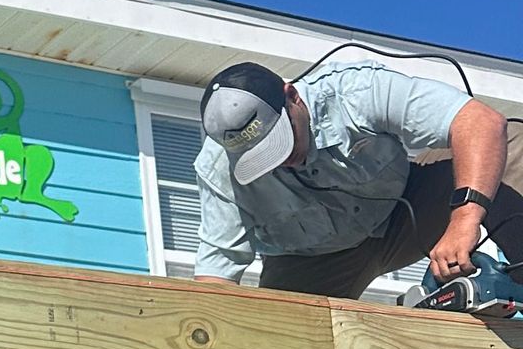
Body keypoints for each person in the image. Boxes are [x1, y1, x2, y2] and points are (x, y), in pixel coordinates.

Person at [193, 54, 523, 298]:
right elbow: (216, 274)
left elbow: (479, 123)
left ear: (292, 97)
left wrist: (464, 220)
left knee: (511, 143)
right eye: (259, 157)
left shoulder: (354, 90)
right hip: (310, 263)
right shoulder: (218, 168)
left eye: (281, 138)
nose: (281, 161)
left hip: (403, 211)